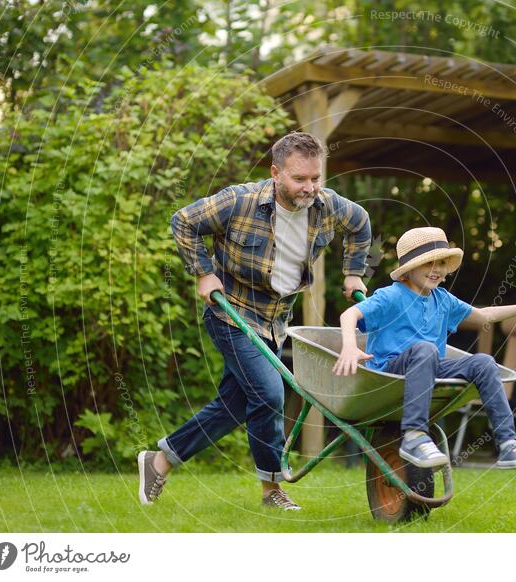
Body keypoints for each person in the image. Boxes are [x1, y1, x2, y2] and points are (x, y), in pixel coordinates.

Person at [138, 132, 371, 510]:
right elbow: (183, 221)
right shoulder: (240, 200)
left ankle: (159, 461)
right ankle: (272, 490)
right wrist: (202, 272)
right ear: (276, 173)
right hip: (231, 313)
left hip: (276, 321)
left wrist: (353, 272)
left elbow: (361, 224)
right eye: (299, 179)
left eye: (315, 178)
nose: (309, 188)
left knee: (233, 405)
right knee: (268, 394)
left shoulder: (327, 205)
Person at [333, 227, 516, 469]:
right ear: (409, 269)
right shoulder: (390, 296)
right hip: (389, 372)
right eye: (428, 263)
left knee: (483, 362)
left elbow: (484, 316)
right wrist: (349, 346)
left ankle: (508, 445)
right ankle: (414, 436)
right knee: (425, 349)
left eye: (441, 262)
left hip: (429, 368)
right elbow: (350, 314)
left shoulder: (442, 299)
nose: (437, 269)